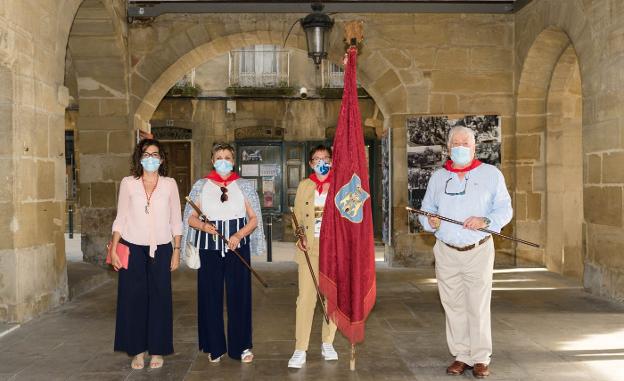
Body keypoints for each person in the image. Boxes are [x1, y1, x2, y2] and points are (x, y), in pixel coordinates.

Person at [418, 126, 512, 378]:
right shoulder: (438, 177)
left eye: (465, 143)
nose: (460, 147)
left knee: (477, 304)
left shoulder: (491, 174)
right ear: (448, 148)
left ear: (474, 147)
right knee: (452, 304)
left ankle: (480, 357)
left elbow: (504, 209)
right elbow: (426, 210)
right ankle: (461, 355)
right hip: (446, 251)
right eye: (455, 143)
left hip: (477, 249)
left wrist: (486, 220)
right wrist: (431, 222)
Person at [181, 143, 265, 363]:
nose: (223, 161)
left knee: (240, 297)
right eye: (219, 157)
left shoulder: (243, 186)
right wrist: (203, 226)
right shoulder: (202, 185)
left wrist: (238, 235)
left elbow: (254, 218)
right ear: (212, 160)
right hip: (209, 248)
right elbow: (190, 217)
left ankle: (242, 346)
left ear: (234, 161)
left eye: (228, 157)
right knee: (210, 296)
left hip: (237, 247)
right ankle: (214, 345)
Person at [109, 138, 183, 370]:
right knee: (133, 300)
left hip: (161, 248)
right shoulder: (128, 183)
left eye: (155, 154)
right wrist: (113, 247)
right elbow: (120, 218)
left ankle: (158, 350)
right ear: (139, 158)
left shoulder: (170, 184)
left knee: (160, 299)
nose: (150, 158)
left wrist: (176, 250)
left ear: (161, 159)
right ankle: (137, 351)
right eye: (146, 154)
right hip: (132, 246)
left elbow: (176, 220)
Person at [288, 144, 338, 369]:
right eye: (316, 159)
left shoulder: (341, 186)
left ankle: (328, 342)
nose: (321, 163)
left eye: (325, 158)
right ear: (310, 164)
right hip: (310, 249)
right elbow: (296, 216)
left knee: (333, 299)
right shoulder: (304, 186)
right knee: (306, 299)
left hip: (334, 250)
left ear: (332, 160)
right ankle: (301, 347)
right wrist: (300, 236)